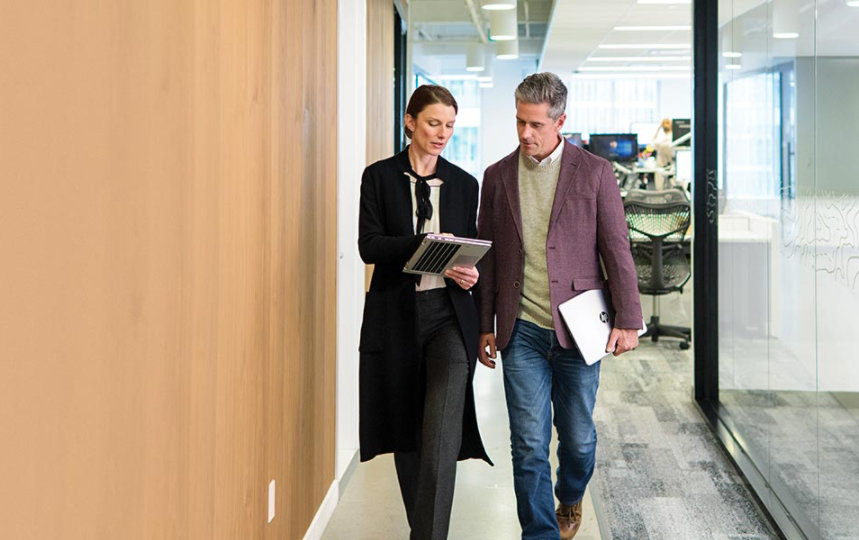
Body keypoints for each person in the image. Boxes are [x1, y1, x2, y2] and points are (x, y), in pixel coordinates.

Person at [475, 73, 642, 540]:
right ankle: (540, 532)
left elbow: (616, 248)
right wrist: (485, 324)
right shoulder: (497, 176)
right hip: (521, 329)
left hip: (579, 330)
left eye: (535, 124)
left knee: (579, 439)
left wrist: (629, 320)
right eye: (519, 122)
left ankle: (570, 495)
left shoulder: (594, 173)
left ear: (560, 121)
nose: (525, 133)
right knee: (528, 443)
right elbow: (488, 256)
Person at [357, 84, 492, 540]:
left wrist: (468, 273)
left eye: (450, 125)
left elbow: (467, 249)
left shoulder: (464, 184)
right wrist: (426, 247)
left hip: (449, 318)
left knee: (440, 434)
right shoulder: (378, 177)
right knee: (407, 432)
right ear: (410, 122)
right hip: (395, 317)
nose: (442, 133)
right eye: (434, 123)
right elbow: (370, 247)